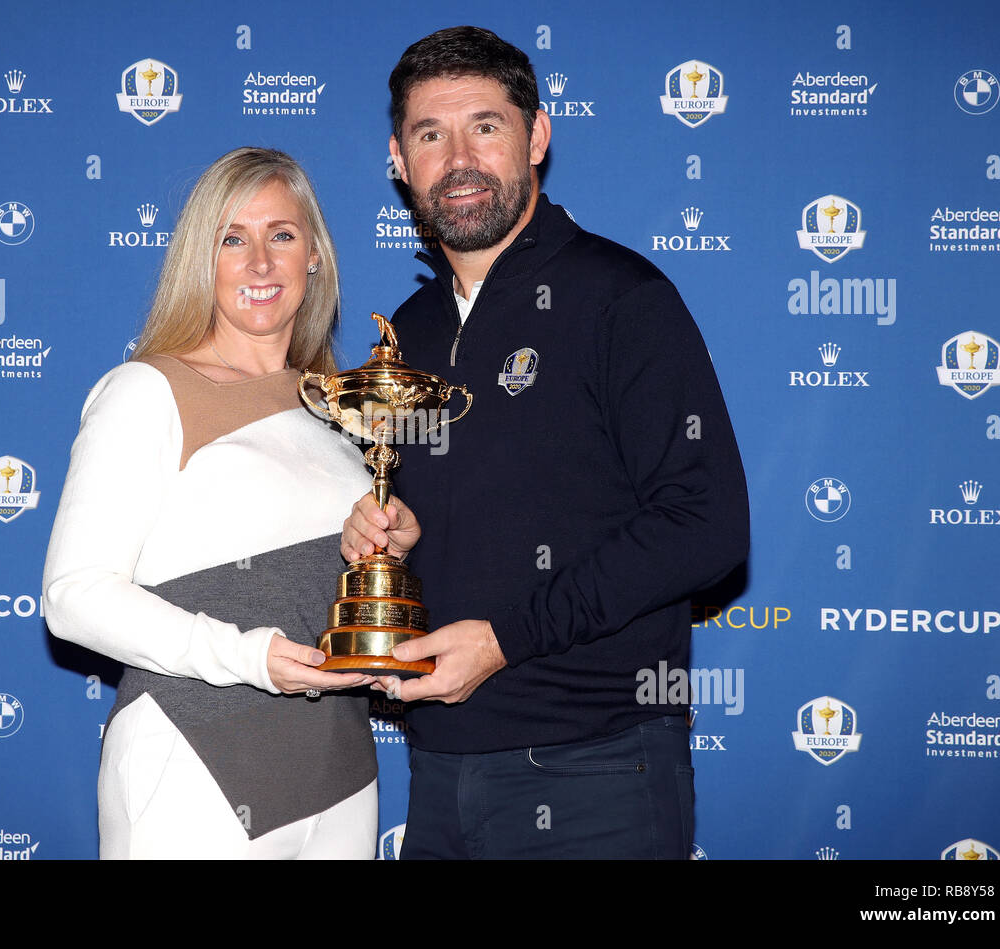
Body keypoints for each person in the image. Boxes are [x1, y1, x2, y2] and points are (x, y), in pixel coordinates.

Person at [341, 27, 749, 859]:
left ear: (536, 136)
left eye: (485, 126)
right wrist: (399, 540)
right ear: (398, 158)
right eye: (430, 134)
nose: (458, 157)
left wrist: (505, 640)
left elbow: (706, 524)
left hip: (595, 767)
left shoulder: (622, 297)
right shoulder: (407, 334)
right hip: (439, 768)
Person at [44, 147, 378, 859]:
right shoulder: (148, 390)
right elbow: (73, 596)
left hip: (341, 774)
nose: (260, 263)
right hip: (194, 757)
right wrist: (249, 655)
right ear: (203, 257)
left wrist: (385, 545)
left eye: (281, 235)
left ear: (314, 255)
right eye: (233, 238)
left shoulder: (341, 410)